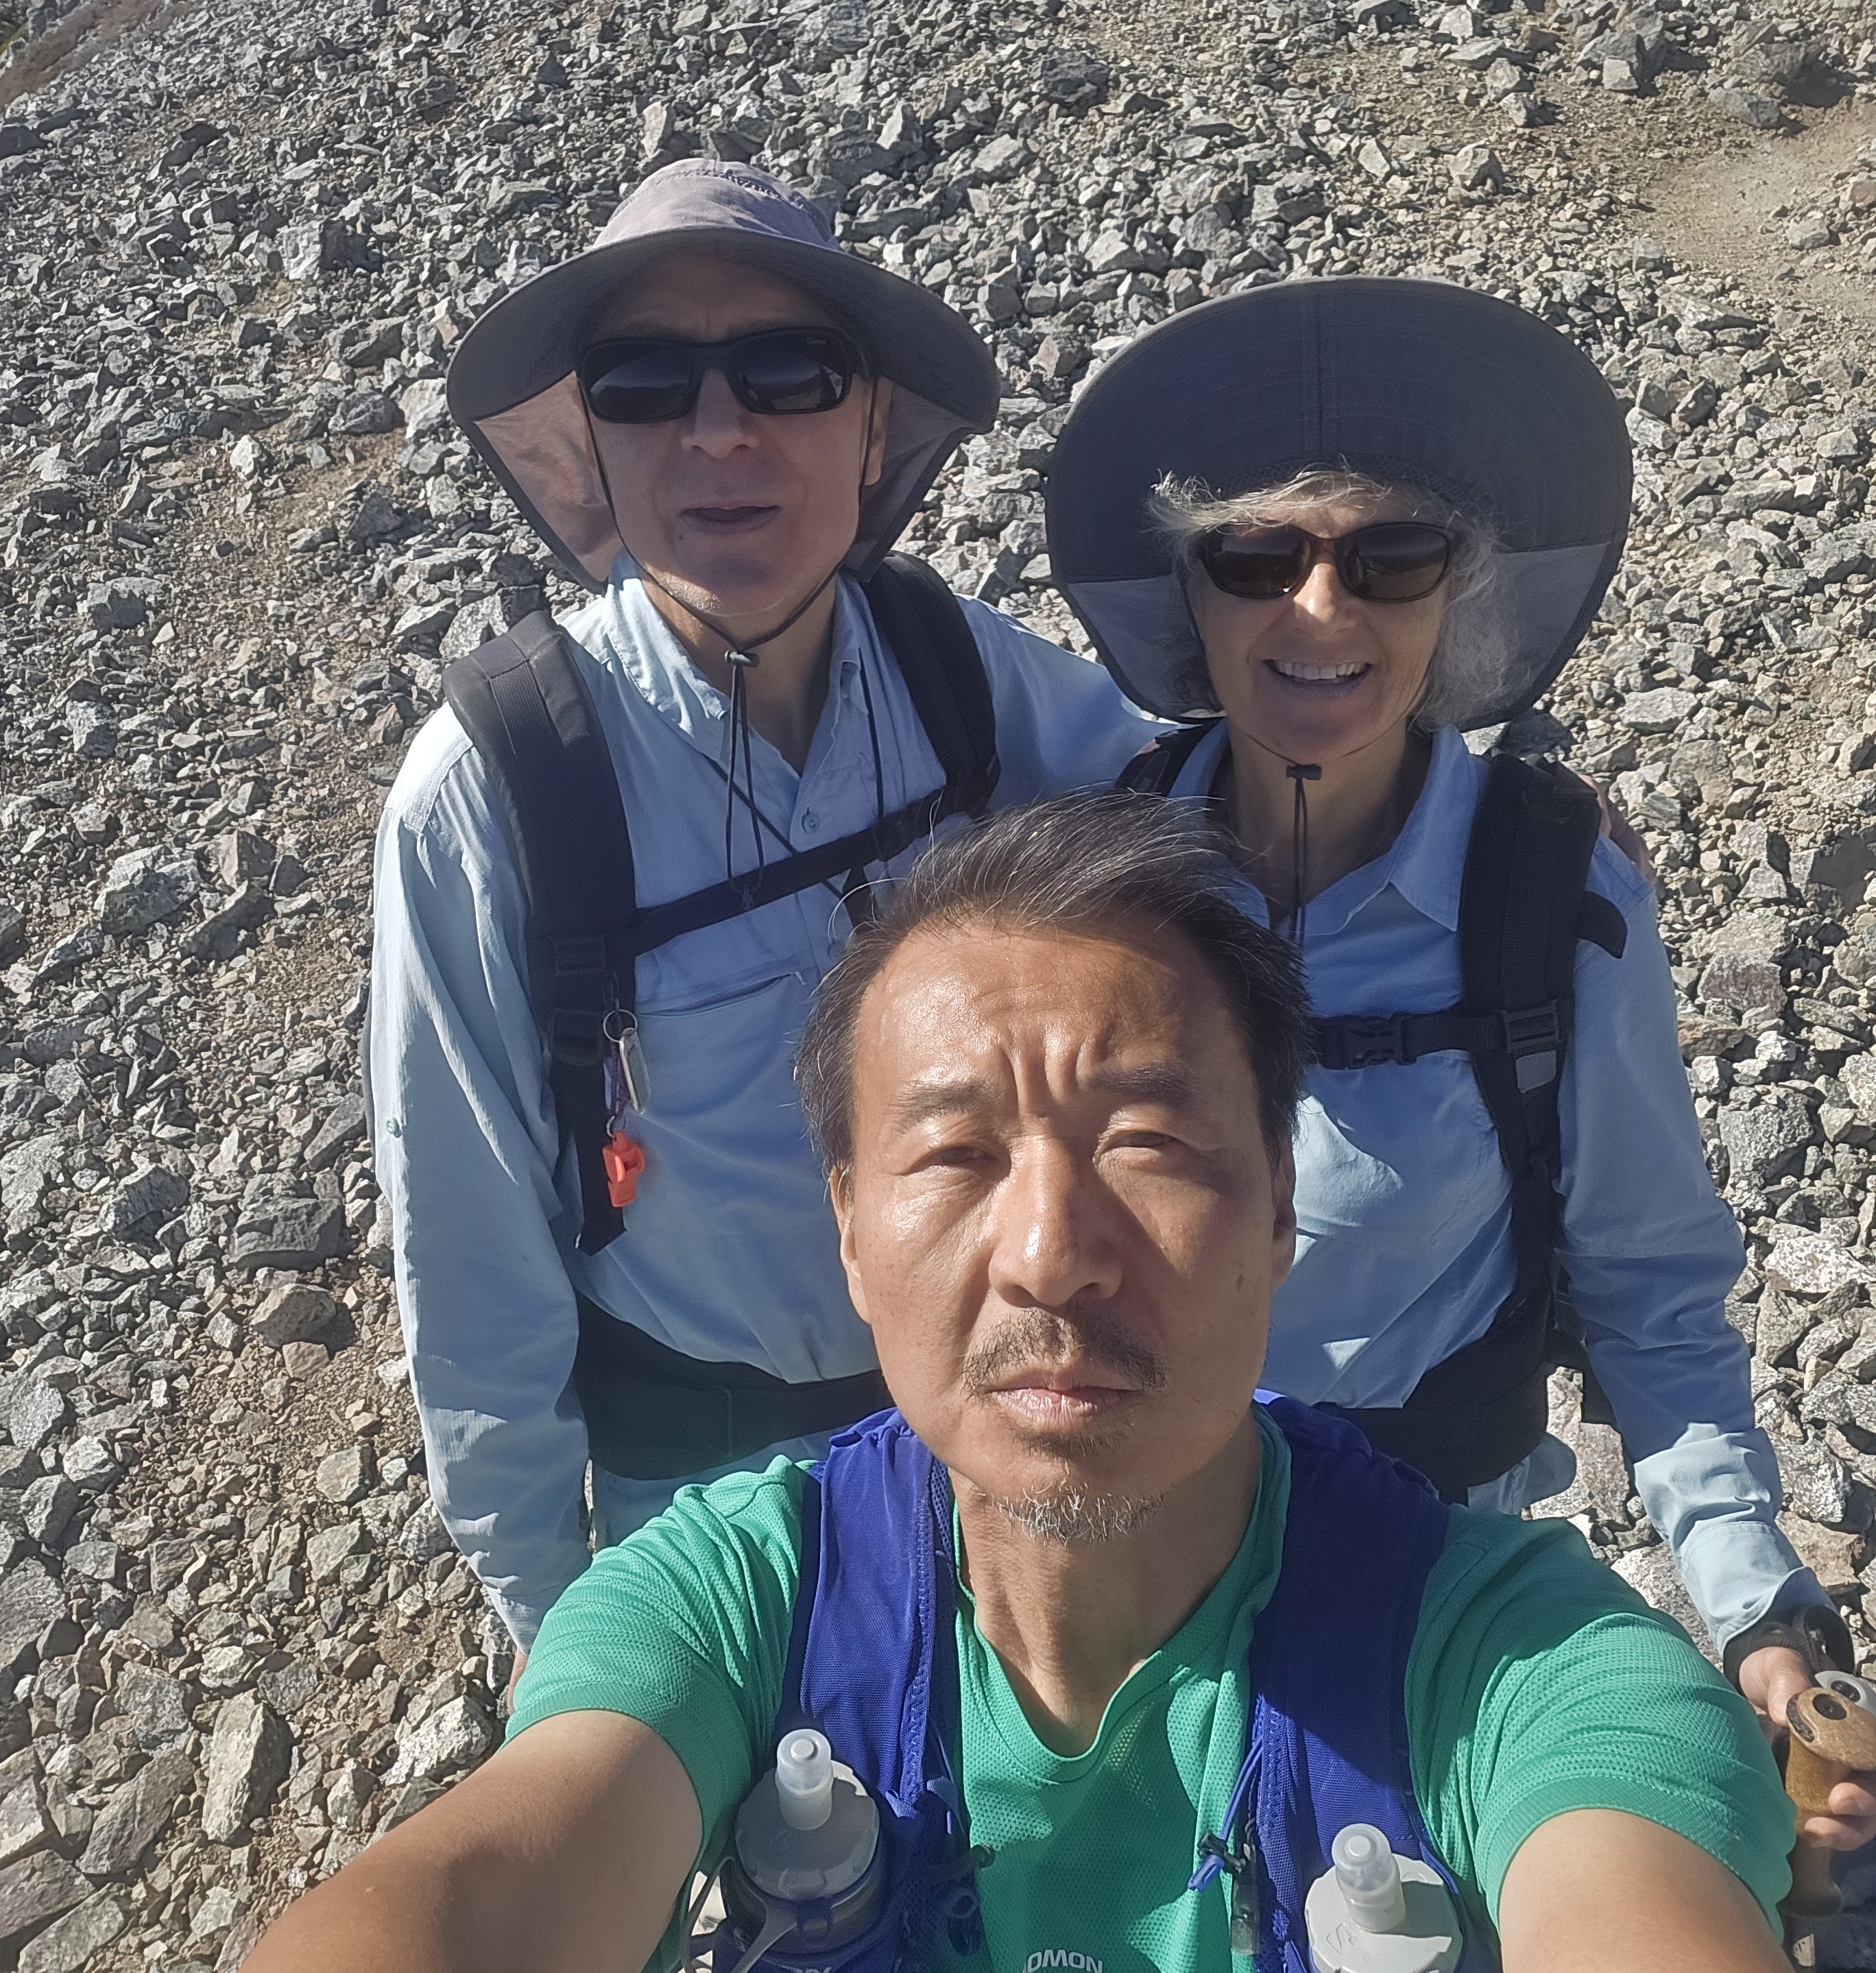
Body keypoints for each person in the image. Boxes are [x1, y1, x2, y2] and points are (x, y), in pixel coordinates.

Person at [250, 796, 1793, 1973]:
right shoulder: (737, 1600)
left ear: (1280, 1208)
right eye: (955, 1154)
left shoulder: (1511, 1657)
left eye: (1148, 1139)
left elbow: (1635, 1890)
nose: (1052, 1254)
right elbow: (481, 1892)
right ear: (849, 1233)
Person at [1042, 276, 1876, 1848]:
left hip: (1440, 1583)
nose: (1320, 610)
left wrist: (1761, 1610)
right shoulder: (1087, 881)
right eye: (1255, 555)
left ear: (1457, 596)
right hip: (1127, 1576)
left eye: (1392, 557)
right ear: (1189, 592)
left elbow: (1651, 1292)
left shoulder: (1556, 903)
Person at [369, 161, 1151, 1664]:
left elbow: (1211, 808)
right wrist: (568, 1639)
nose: (720, 431)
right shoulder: (489, 795)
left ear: (873, 427)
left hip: (1010, 1453)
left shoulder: (953, 669)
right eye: (646, 381)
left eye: (789, 371)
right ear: (591, 440)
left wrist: (1495, 810)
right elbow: (472, 1271)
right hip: (708, 1524)